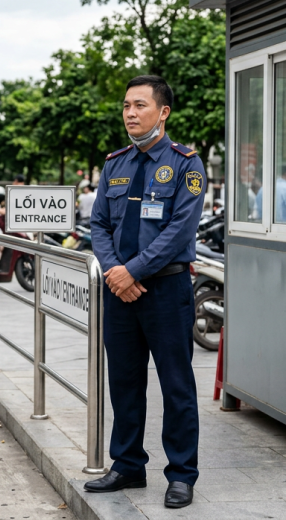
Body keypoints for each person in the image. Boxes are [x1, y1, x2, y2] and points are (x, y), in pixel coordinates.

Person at [85, 75, 206, 509]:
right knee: (124, 382)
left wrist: (131, 270)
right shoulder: (115, 165)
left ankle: (181, 474)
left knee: (176, 384)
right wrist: (116, 271)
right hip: (120, 294)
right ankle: (128, 464)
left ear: (163, 112)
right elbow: (99, 224)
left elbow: (179, 231)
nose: (130, 113)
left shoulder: (187, 164)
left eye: (139, 105)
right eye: (126, 106)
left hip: (166, 290)